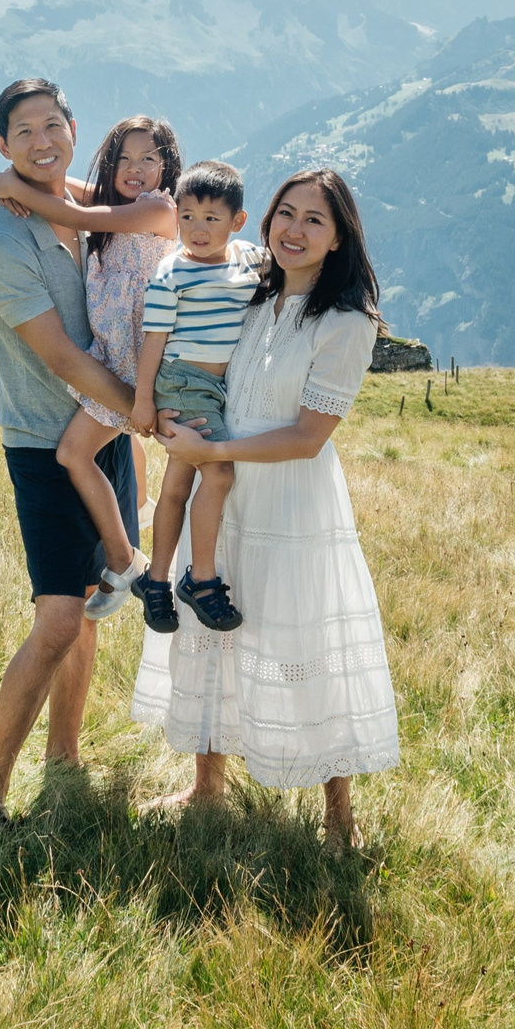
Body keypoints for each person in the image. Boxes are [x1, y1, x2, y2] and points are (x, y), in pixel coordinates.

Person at [131, 167, 397, 851]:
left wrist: (213, 444)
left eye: (314, 219)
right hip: (221, 487)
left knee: (303, 640)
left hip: (289, 496)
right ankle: (206, 783)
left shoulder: (345, 324)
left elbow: (310, 436)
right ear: (265, 219)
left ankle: (339, 814)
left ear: (340, 237)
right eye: (286, 212)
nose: (295, 229)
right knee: (211, 628)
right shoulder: (252, 289)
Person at [0, 78, 143, 828]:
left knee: (95, 601)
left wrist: (128, 418)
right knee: (60, 617)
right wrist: (148, 410)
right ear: (3, 146)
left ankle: (63, 760)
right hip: (46, 442)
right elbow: (64, 358)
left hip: (105, 432)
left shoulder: (71, 201)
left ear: (74, 127)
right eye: (24, 133)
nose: (42, 141)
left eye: (53, 125)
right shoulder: (1, 240)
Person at [0, 116, 182, 622]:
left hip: (134, 367)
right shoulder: (116, 201)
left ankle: (124, 563)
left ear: (167, 166)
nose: (135, 170)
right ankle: (129, 539)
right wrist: (21, 182)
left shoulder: (159, 209)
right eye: (124, 159)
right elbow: (74, 190)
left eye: (149, 159)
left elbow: (76, 216)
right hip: (112, 358)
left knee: (74, 453)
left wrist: (19, 189)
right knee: (83, 452)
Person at [127, 161, 261, 634]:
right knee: (219, 473)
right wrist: (143, 401)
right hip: (183, 382)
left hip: (215, 388)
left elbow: (283, 266)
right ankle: (200, 579)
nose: (197, 230)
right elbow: (154, 341)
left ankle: (156, 580)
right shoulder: (171, 274)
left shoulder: (247, 258)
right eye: (187, 217)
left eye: (211, 218)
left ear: (236, 221)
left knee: (179, 484)